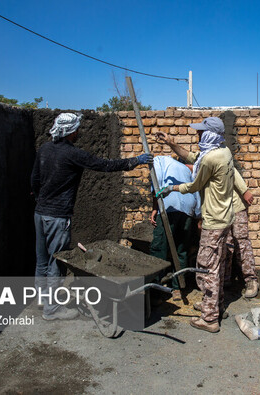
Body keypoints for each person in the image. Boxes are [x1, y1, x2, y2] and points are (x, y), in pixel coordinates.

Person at [31, 113, 152, 321]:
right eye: (77, 129)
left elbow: (34, 179)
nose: (79, 132)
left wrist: (41, 200)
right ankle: (52, 310)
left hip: (40, 213)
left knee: (41, 260)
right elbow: (105, 165)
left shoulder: (44, 149)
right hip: (58, 217)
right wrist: (136, 161)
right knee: (56, 263)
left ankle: (42, 300)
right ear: (70, 132)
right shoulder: (72, 154)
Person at [156, 116, 239, 333]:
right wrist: (172, 143)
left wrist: (170, 189)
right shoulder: (223, 152)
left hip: (214, 221)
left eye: (201, 132)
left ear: (210, 134)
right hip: (225, 218)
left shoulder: (212, 160)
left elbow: (193, 185)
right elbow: (194, 156)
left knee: (207, 267)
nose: (198, 135)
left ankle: (210, 319)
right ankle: (216, 306)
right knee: (217, 265)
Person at [149, 156, 201, 300]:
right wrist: (197, 216)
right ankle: (178, 288)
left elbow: (156, 183)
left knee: (159, 247)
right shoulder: (187, 170)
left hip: (169, 205)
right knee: (181, 249)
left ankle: (156, 290)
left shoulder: (159, 160)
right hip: (188, 208)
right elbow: (196, 191)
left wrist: (155, 208)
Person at [224, 170, 259, 298]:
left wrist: (245, 191)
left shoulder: (213, 157)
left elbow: (232, 171)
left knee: (242, 243)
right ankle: (225, 279)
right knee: (226, 244)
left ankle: (251, 280)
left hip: (236, 207)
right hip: (222, 210)